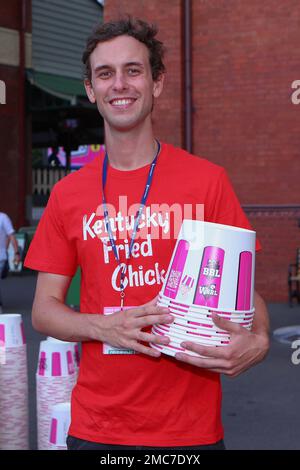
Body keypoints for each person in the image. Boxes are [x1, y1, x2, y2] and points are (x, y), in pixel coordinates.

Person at [24, 17, 270, 450]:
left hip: (189, 431)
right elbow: (44, 310)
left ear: (156, 83)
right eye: (105, 73)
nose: (119, 84)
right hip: (98, 427)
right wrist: (106, 328)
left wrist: (261, 339)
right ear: (90, 90)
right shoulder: (67, 194)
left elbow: (247, 296)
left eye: (133, 70)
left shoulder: (207, 181)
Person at [0, 212, 21, 313]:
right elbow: (10, 236)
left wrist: (16, 253)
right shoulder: (3, 218)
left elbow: (11, 236)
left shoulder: (3, 218)